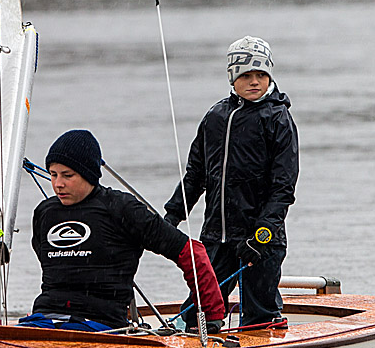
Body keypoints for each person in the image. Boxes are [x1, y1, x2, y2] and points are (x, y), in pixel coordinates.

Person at [24, 129, 225, 333]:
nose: (58, 184)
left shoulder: (122, 208)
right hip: (43, 320)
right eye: (53, 174)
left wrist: (211, 315)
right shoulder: (45, 213)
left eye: (68, 175)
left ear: (88, 174)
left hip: (101, 325)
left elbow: (191, 252)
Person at [164, 35, 299, 327]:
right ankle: (195, 343)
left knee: (260, 313)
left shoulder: (278, 119)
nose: (254, 82)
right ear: (232, 77)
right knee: (199, 310)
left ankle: (264, 340)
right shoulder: (214, 117)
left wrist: (264, 232)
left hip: (260, 239)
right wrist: (172, 214)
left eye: (261, 74)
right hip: (217, 236)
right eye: (246, 75)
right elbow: (195, 175)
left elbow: (283, 187)